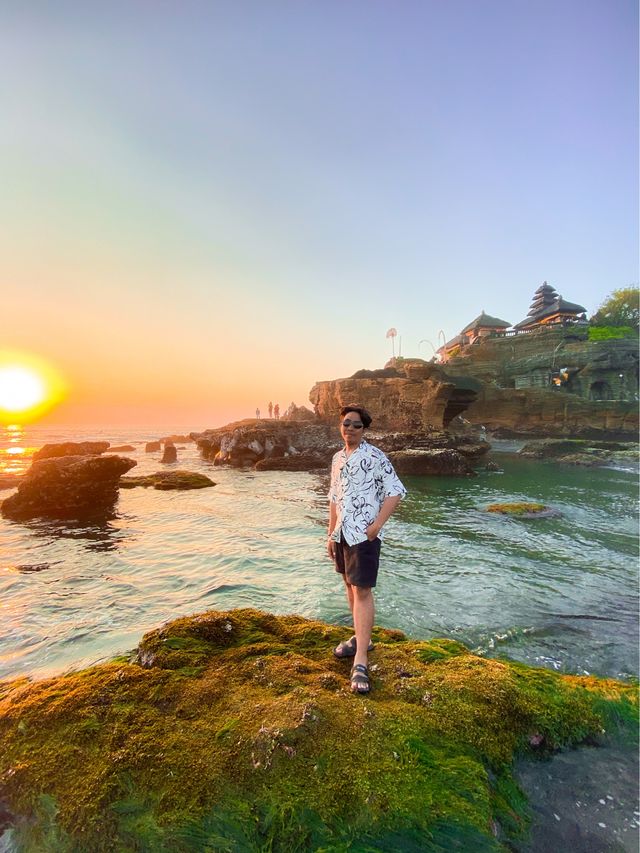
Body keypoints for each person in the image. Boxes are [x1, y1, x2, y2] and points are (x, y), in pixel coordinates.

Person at [327, 405, 406, 695]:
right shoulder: (337, 458)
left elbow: (395, 491)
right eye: (346, 424)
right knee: (349, 585)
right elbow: (334, 496)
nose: (349, 428)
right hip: (341, 534)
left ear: (364, 429)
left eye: (356, 425)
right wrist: (330, 533)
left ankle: (361, 659)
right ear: (341, 426)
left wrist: (375, 527)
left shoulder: (375, 457)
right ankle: (363, 640)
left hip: (363, 536)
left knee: (362, 590)